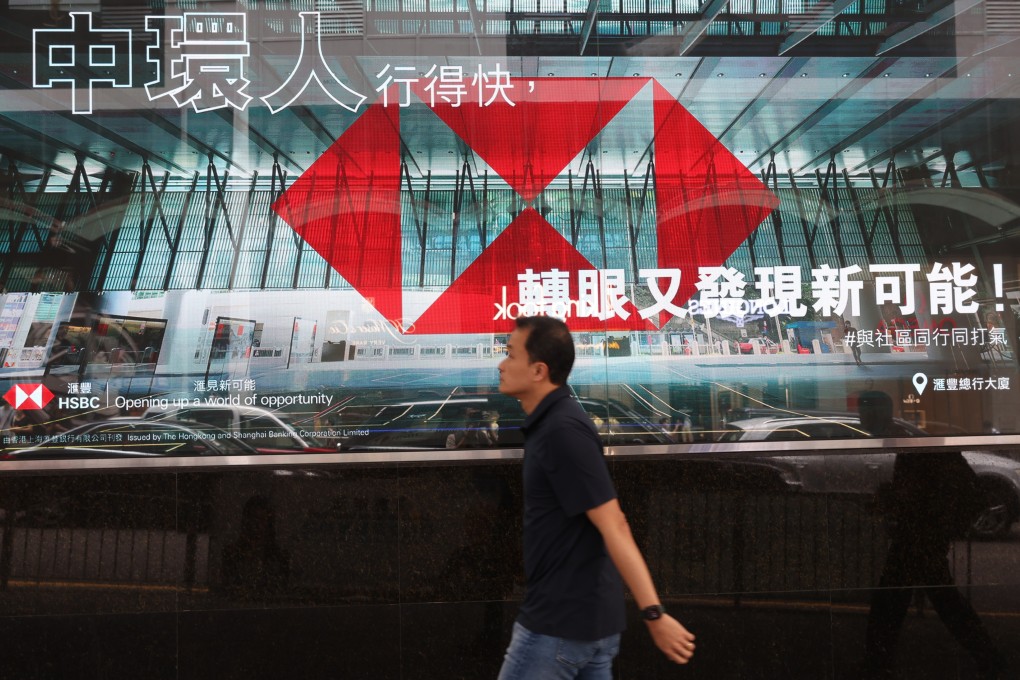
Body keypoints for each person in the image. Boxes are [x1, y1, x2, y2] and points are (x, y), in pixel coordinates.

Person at [496, 315, 695, 679]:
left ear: (539, 370)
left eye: (510, 354)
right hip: (584, 624)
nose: (501, 364)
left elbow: (614, 523)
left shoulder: (562, 430)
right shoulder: (553, 423)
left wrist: (654, 613)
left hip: (557, 627)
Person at [859, 391, 1009, 679]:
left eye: (864, 413)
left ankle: (877, 664)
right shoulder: (908, 437)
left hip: (919, 535)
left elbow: (917, 493)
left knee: (895, 603)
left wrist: (892, 501)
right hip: (926, 534)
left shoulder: (906, 440)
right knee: (938, 600)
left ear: (878, 413)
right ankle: (988, 657)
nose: (861, 420)